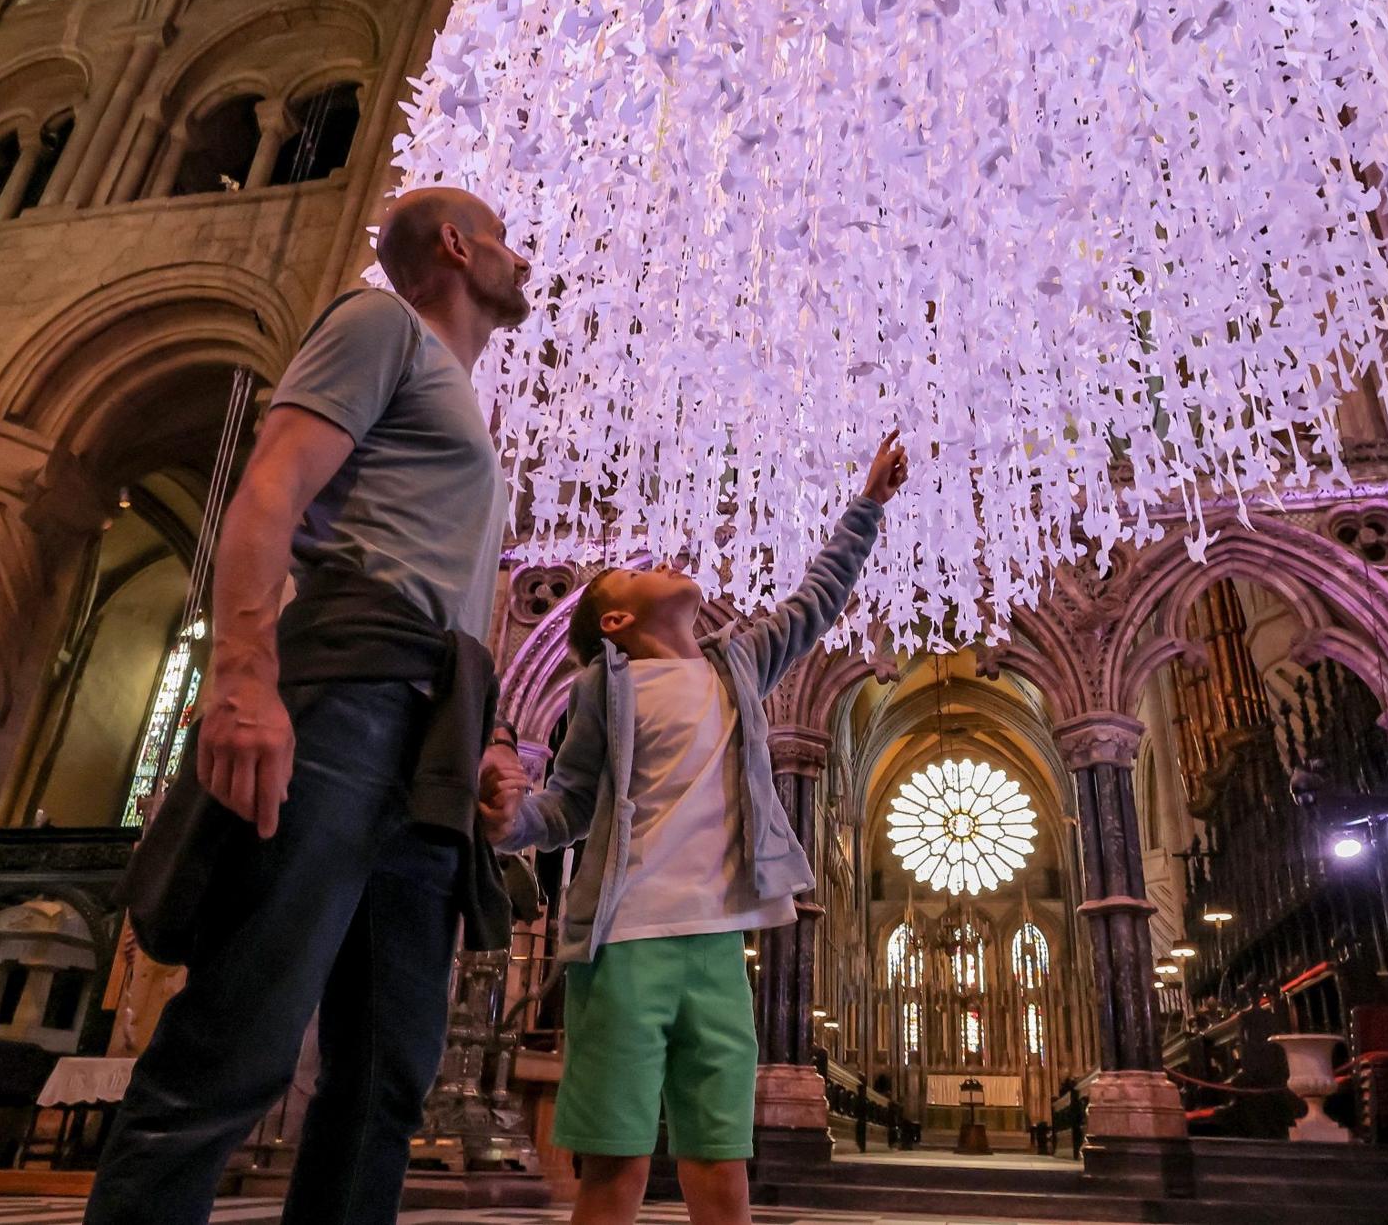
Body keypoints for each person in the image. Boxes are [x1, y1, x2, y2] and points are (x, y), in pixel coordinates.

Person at [86, 187, 531, 1225]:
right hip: (350, 701)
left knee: (386, 1071)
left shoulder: (463, 408)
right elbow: (271, 489)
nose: (523, 261)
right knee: (239, 1038)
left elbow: (457, 592)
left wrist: (493, 735)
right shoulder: (381, 323)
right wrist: (239, 676)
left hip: (428, 737)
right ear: (457, 248)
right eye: (505, 241)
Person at [480, 434, 909, 1225]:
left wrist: (867, 507)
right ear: (616, 616)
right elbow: (566, 808)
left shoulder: (737, 664)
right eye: (640, 572)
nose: (664, 561)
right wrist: (510, 819)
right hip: (625, 944)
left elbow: (815, 600)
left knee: (721, 1164)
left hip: (718, 944)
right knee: (616, 1164)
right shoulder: (601, 690)